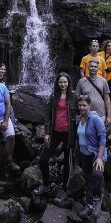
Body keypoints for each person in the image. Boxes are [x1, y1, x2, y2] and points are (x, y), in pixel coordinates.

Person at [34, 73, 79, 203]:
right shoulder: (54, 96)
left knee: (67, 162)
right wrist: (47, 133)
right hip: (54, 133)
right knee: (43, 160)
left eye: (65, 82)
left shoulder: (74, 96)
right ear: (57, 83)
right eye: (61, 82)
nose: (63, 84)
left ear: (69, 83)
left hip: (69, 134)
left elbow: (82, 110)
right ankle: (46, 185)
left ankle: (64, 189)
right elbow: (47, 115)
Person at [76, 95, 107, 216]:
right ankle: (89, 203)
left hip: (95, 154)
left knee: (97, 175)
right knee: (88, 178)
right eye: (80, 105)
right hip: (84, 154)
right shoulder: (78, 119)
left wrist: (99, 157)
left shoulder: (95, 119)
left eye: (84, 105)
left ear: (89, 105)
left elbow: (103, 138)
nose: (82, 107)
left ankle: (97, 199)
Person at [75, 59, 111, 125]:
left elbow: (107, 99)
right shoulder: (81, 81)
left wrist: (109, 116)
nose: (93, 68)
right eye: (91, 66)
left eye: (95, 67)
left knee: (99, 134)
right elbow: (77, 98)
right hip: (85, 114)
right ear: (88, 67)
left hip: (100, 113)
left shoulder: (103, 81)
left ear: (98, 68)